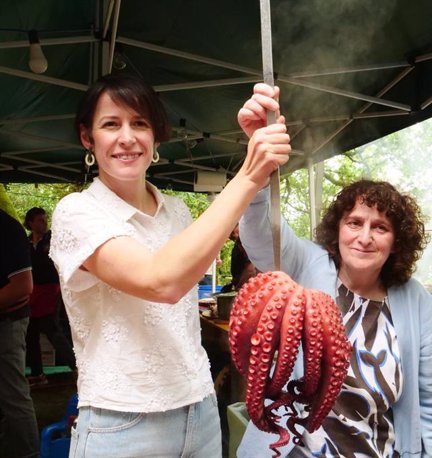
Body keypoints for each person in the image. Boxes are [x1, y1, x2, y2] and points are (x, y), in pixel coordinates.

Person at [48, 73, 289, 457]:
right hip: (121, 422)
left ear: (156, 137)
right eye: (111, 124)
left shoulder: (176, 211)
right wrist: (248, 172)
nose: (127, 137)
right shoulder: (76, 212)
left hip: (201, 410)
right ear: (87, 138)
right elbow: (162, 282)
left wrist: (259, 153)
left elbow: (244, 240)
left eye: (140, 123)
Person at [237, 175, 432, 454]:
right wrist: (260, 173)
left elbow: (429, 400)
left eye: (380, 227)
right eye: (354, 222)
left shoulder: (416, 299)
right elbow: (261, 234)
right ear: (338, 228)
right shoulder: (307, 264)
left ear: (396, 242)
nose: (364, 237)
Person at [0, 208, 39, 457]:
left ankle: (28, 453)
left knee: (12, 394)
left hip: (8, 321)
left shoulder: (6, 228)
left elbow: (23, 285)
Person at [23, 207, 76, 384]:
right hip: (32, 291)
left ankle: (76, 368)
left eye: (45, 219)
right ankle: (37, 373)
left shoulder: (53, 239)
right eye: (39, 220)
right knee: (30, 333)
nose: (44, 223)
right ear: (30, 223)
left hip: (51, 290)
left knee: (52, 330)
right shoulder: (26, 242)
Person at [221, 223, 256, 292]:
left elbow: (251, 269)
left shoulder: (246, 241)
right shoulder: (239, 244)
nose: (232, 235)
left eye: (232, 230)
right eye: (228, 232)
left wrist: (239, 287)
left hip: (248, 289)